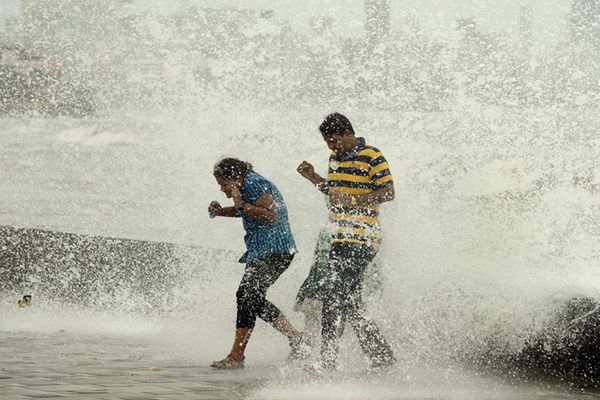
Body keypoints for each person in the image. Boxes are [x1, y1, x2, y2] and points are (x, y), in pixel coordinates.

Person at [297, 113, 396, 372]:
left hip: (363, 237)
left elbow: (388, 192)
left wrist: (352, 201)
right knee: (350, 302)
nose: (331, 147)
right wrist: (313, 177)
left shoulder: (372, 156)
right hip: (339, 237)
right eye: (328, 143)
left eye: (334, 141)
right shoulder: (334, 159)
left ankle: (327, 361)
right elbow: (335, 193)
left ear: (348, 134)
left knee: (334, 294)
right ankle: (381, 355)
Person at [208, 158, 306, 369]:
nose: (221, 189)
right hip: (264, 251)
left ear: (235, 178)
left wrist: (239, 202)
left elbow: (270, 216)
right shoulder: (246, 184)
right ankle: (296, 337)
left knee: (247, 296)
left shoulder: (253, 183)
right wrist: (221, 211)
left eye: (224, 183)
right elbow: (248, 210)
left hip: (275, 250)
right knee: (249, 297)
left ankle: (236, 356)